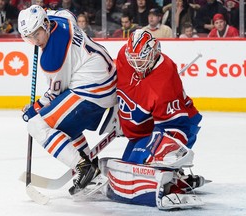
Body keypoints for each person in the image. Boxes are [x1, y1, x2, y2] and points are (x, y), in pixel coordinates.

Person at [100, 29, 206, 210]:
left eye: (140, 59)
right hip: (145, 130)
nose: (135, 64)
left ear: (154, 53)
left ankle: (174, 183)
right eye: (132, 59)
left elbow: (175, 127)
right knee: (129, 166)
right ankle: (175, 177)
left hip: (178, 125)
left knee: (142, 169)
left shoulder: (165, 80)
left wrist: (164, 159)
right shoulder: (125, 56)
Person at [18, 5, 117, 195]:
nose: (35, 41)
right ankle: (90, 165)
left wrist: (35, 109)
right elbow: (64, 11)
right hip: (106, 78)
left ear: (46, 25)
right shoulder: (62, 19)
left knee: (37, 125)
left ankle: (84, 167)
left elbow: (55, 93)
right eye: (29, 37)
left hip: (94, 92)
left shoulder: (52, 58)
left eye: (36, 34)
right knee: (62, 122)